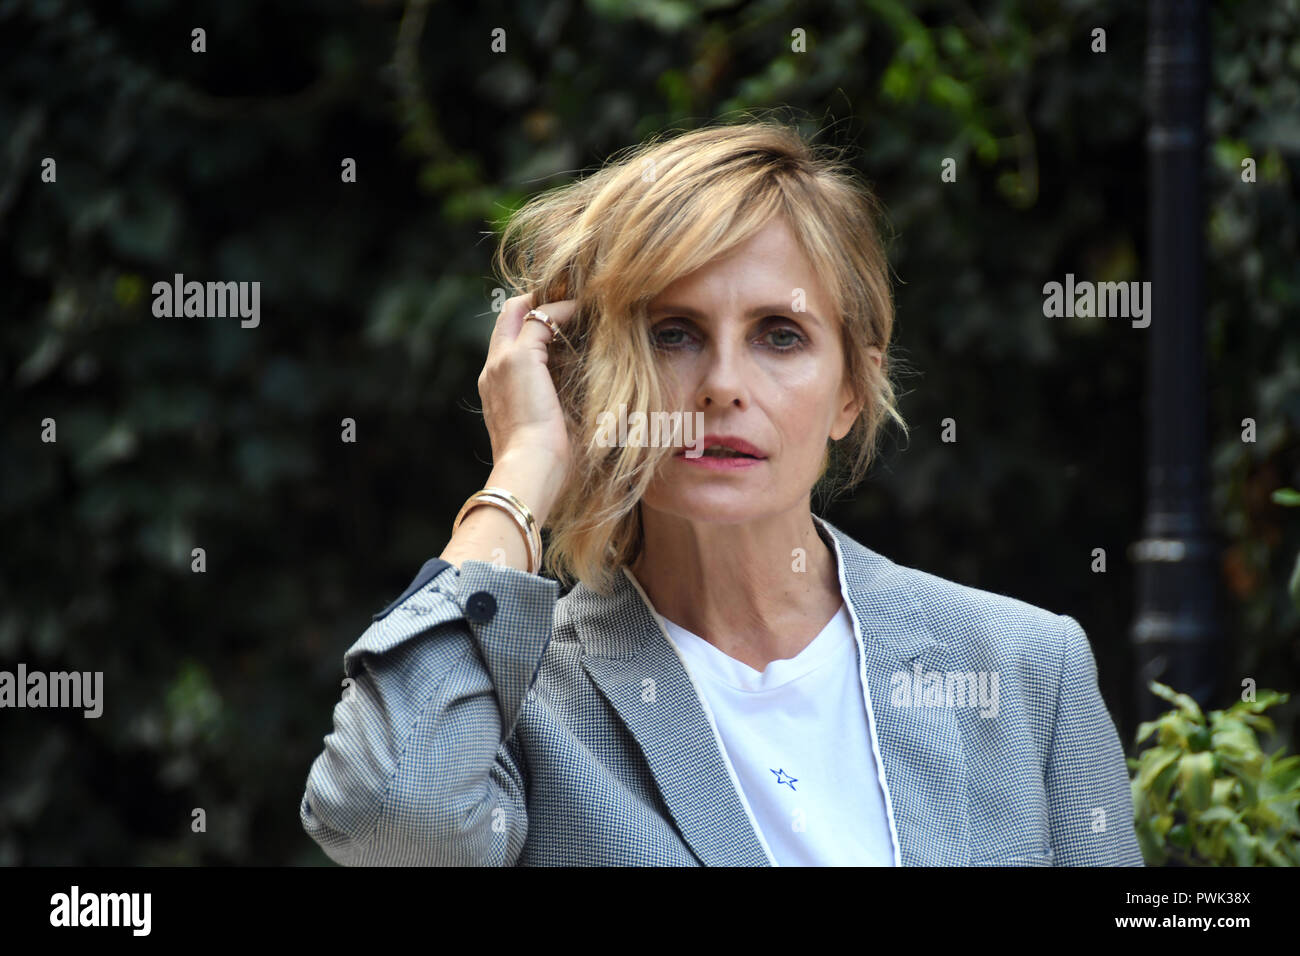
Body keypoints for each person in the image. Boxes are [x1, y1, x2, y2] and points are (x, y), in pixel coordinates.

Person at [299, 118, 1143, 866]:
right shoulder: (515, 709)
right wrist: (520, 471)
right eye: (674, 334)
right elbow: (389, 825)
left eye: (781, 335)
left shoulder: (1025, 666)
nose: (724, 385)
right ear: (596, 382)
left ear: (852, 391)